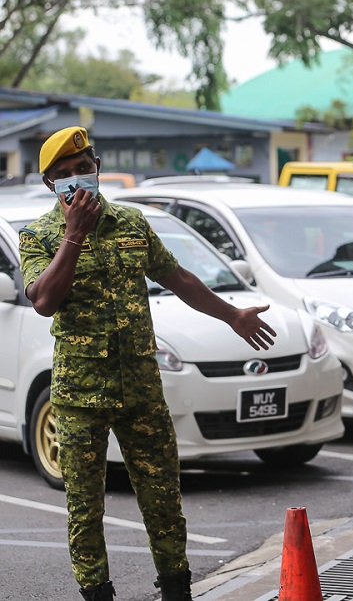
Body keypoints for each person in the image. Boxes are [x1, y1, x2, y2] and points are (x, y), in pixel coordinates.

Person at [18, 127, 278, 601]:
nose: (78, 179)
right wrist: (73, 236)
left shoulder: (132, 224)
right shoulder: (37, 235)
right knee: (85, 509)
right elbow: (44, 301)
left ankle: (176, 589)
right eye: (65, 175)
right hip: (79, 398)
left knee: (163, 502)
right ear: (50, 184)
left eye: (83, 168)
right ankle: (97, 593)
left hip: (141, 390)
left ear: (96, 167)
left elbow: (178, 277)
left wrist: (233, 316)